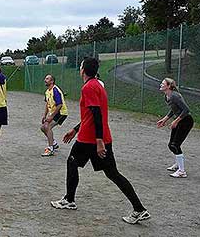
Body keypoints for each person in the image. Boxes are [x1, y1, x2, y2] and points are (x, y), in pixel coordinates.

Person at [51, 57, 150, 225]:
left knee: (72, 162)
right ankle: (139, 209)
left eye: (80, 65)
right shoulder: (97, 85)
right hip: (98, 136)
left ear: (83, 70)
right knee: (112, 173)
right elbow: (91, 115)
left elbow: (96, 114)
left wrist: (98, 141)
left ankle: (69, 200)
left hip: (90, 139)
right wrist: (75, 130)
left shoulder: (89, 87)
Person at [157, 78, 193, 178]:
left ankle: (182, 172)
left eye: (163, 83)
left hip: (186, 121)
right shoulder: (167, 96)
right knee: (171, 145)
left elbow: (186, 110)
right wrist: (164, 120)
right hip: (180, 121)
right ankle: (178, 164)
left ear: (168, 86)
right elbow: (174, 110)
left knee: (175, 145)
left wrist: (176, 121)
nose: (161, 84)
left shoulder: (174, 96)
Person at [40, 74, 68, 157]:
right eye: (45, 78)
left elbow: (59, 105)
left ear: (52, 81)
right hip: (54, 113)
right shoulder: (47, 91)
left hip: (61, 113)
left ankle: (50, 148)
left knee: (47, 127)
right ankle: (54, 143)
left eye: (47, 79)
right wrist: (45, 115)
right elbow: (47, 104)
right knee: (43, 128)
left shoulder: (55, 90)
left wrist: (51, 116)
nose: (45, 80)